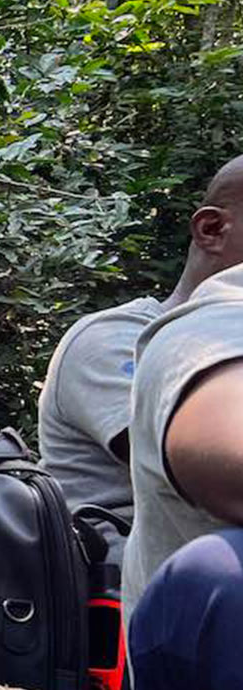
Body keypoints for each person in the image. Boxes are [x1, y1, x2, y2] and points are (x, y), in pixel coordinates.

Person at [122, 155, 243, 690]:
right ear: (212, 228)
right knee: (222, 571)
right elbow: (220, 452)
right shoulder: (206, 325)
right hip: (172, 620)